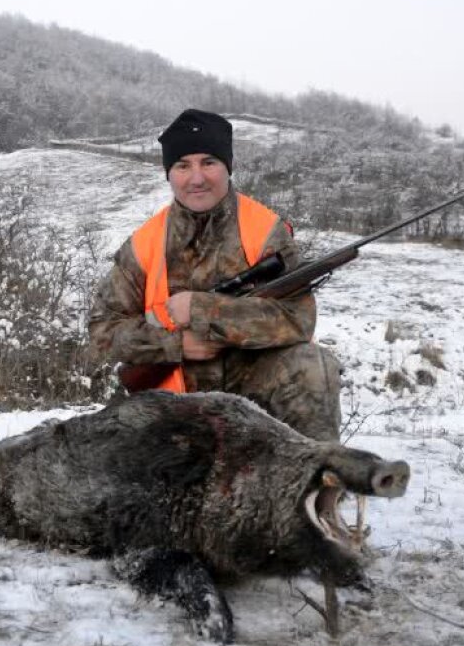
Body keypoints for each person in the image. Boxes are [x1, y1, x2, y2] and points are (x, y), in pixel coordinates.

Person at [88, 108, 342, 442]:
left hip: (254, 391)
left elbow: (298, 319)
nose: (196, 178)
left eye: (208, 162)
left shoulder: (265, 230)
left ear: (227, 167)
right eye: (182, 165)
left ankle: (314, 484)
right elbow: (102, 332)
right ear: (169, 174)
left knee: (313, 364)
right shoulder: (144, 243)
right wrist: (176, 344)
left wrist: (204, 311)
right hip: (171, 398)